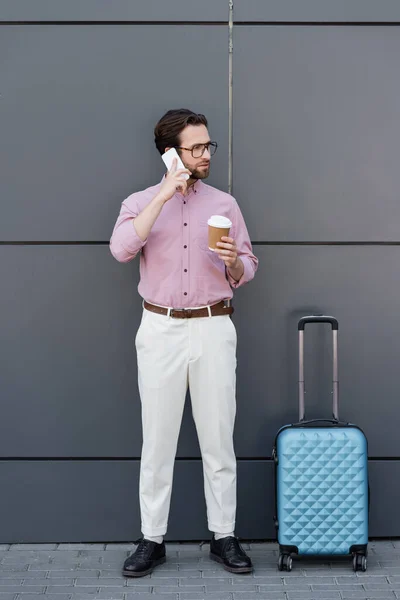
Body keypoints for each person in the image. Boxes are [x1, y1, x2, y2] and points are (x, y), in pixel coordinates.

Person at [110, 109, 259, 577]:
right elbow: (121, 249)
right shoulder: (139, 202)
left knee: (219, 438)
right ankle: (151, 539)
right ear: (170, 152)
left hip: (215, 326)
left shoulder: (226, 204)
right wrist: (163, 194)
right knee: (157, 440)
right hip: (161, 329)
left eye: (208, 145)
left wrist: (234, 261)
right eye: (196, 148)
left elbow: (249, 269)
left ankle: (224, 536)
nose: (205, 154)